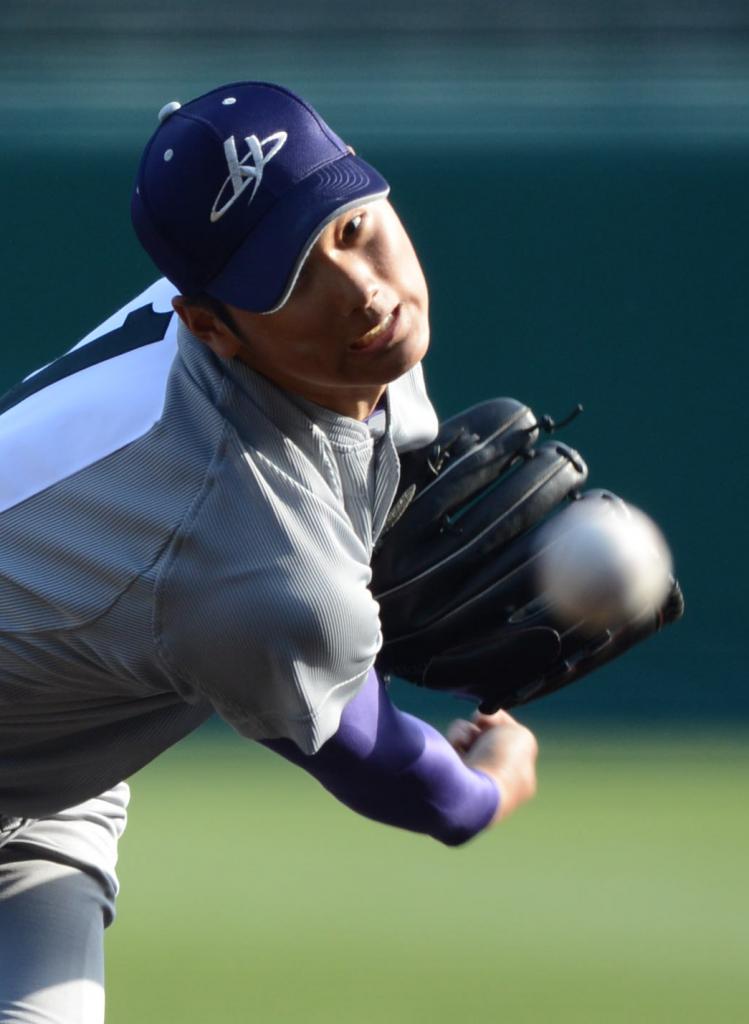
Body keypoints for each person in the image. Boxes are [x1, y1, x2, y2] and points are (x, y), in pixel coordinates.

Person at [0, 81, 538, 1022]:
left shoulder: (336, 349)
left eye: (352, 225)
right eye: (292, 281)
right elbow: (411, 787)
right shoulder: (250, 555)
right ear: (209, 325)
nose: (366, 293)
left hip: (38, 778)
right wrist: (490, 785)